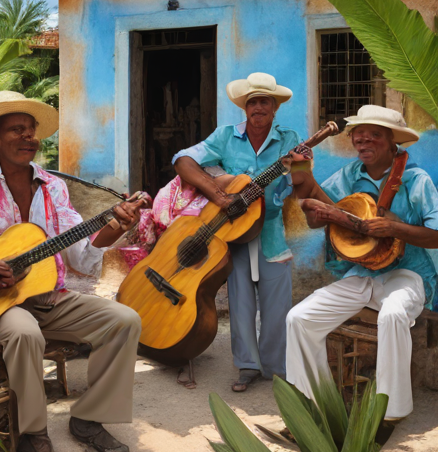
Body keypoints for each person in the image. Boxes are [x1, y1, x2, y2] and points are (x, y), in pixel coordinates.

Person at [0, 91, 143, 452]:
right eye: (16, 129)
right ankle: (32, 431)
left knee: (124, 320)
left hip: (48, 297)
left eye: (32, 130)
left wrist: (112, 229)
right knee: (25, 332)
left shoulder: (54, 187)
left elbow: (79, 255)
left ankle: (89, 418)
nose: (28, 137)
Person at [287, 104, 438, 419]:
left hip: (408, 274)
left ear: (392, 141)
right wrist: (305, 183)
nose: (363, 141)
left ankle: (389, 413)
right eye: (359, 135)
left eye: (374, 135)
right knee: (299, 318)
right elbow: (319, 222)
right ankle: (311, 408)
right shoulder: (349, 175)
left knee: (393, 314)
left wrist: (395, 228)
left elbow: (436, 235)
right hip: (360, 274)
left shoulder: (416, 180)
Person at [173, 72, 309, 391]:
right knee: (240, 301)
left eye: (264, 101)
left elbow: (302, 181)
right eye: (252, 102)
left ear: (274, 108)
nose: (258, 107)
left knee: (277, 305)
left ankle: (276, 368)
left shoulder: (291, 139)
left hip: (272, 231)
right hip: (232, 232)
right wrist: (218, 190)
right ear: (244, 108)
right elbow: (183, 160)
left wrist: (302, 168)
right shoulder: (225, 136)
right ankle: (247, 365)